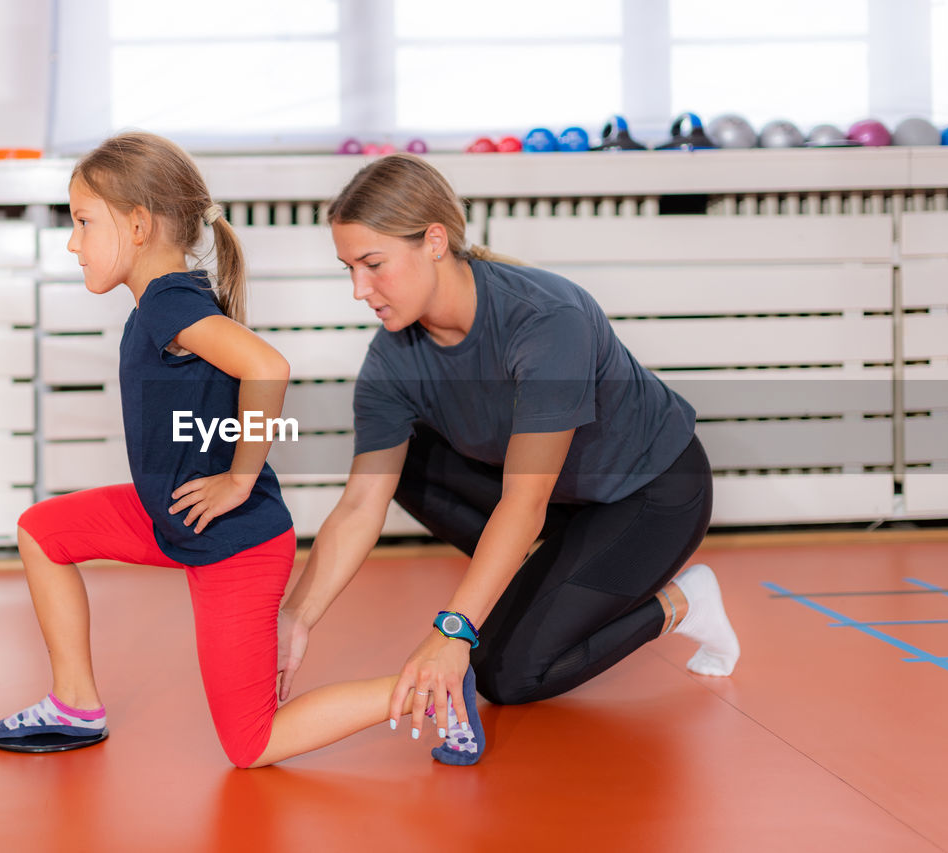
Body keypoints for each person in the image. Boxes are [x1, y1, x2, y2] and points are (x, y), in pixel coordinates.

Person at [0, 133, 481, 768]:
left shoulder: (168, 303)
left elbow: (267, 366)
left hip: (231, 542)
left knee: (252, 744)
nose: (74, 243)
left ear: (138, 225)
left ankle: (431, 691)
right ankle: (76, 704)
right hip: (173, 517)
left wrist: (240, 480)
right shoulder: (164, 302)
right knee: (44, 531)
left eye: (83, 222)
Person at [277, 153, 740, 764]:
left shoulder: (545, 319)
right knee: (398, 465)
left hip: (649, 496)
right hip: (562, 504)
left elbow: (524, 500)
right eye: (349, 269)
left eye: (373, 265)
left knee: (508, 675)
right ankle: (541, 575)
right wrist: (296, 616)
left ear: (434, 242)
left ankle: (685, 602)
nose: (360, 290)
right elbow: (362, 502)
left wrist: (451, 631)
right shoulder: (392, 361)